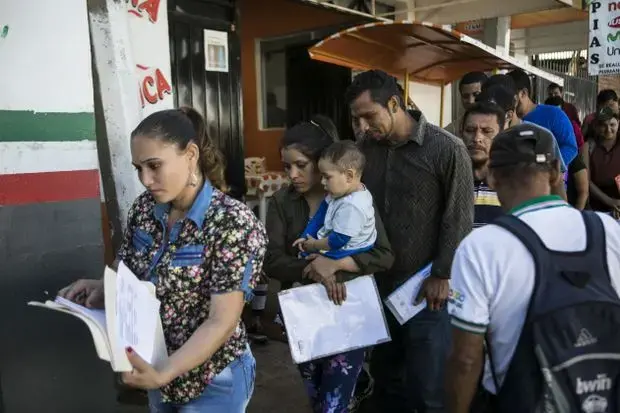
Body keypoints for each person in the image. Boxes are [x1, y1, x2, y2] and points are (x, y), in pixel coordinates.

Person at [59, 108, 267, 413]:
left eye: (155, 166)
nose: (146, 179)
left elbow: (221, 320)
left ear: (191, 154)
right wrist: (106, 286)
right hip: (156, 370)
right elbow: (128, 265)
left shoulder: (232, 222)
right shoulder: (145, 209)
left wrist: (166, 371)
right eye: (138, 168)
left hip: (212, 381)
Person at [446, 123, 620, 413]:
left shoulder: (482, 246)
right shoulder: (608, 230)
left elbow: (465, 359)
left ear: (491, 176)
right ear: (555, 173)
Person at [347, 70, 474, 413]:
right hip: (377, 286)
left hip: (426, 290)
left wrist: (442, 274)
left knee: (427, 386)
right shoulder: (363, 151)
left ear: (393, 103)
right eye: (356, 118)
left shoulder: (446, 148)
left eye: (368, 116)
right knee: (386, 378)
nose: (362, 126)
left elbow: (459, 216)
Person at [264, 115, 394, 413]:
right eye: (287, 167)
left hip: (348, 312)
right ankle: (360, 386)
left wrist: (339, 265)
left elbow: (384, 254)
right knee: (315, 390)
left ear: (322, 161)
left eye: (301, 165)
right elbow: (271, 259)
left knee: (332, 403)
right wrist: (315, 269)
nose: (292, 174)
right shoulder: (281, 202)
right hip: (304, 314)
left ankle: (356, 386)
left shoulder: (357, 200)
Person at [477, 83, 568, 201]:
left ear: (508, 115)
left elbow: (557, 187)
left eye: (493, 115)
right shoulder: (476, 140)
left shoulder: (539, 137)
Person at [294, 141, 376, 259]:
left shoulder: (353, 206)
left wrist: (314, 245)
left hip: (350, 248)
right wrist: (306, 236)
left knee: (309, 258)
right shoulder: (342, 191)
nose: (322, 182)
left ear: (349, 176)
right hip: (336, 240)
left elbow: (338, 240)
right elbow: (320, 215)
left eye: (327, 177)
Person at [507, 69, 578, 167]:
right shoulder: (505, 118)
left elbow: (570, 147)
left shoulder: (553, 114)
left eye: (510, 95)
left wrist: (548, 169)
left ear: (523, 93)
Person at [460, 101, 506, 228]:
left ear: (501, 136)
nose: (477, 138)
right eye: (470, 130)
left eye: (487, 131)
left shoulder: (511, 188)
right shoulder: (449, 184)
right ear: (460, 134)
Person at [544, 96, 589, 210]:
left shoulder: (570, 152)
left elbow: (583, 191)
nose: (555, 121)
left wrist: (574, 217)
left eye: (558, 114)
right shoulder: (539, 150)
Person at [584, 107, 620, 215]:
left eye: (612, 125)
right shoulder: (588, 146)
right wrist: (610, 201)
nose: (608, 130)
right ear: (596, 126)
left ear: (618, 123)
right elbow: (586, 181)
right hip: (598, 205)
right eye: (603, 125)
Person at [445, 71, 488, 137]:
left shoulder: (502, 123)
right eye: (465, 96)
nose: (471, 101)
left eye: (476, 94)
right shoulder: (452, 130)